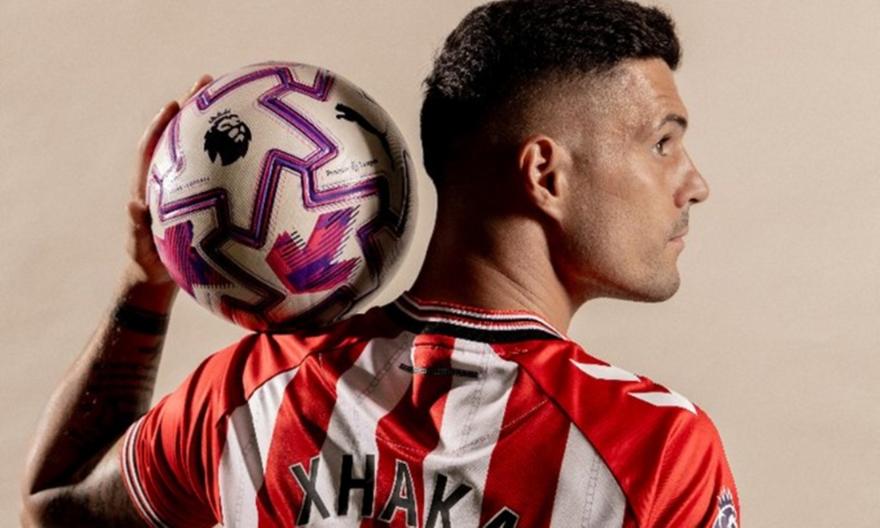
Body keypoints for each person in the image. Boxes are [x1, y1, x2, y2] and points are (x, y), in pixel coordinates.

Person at [22, 0, 740, 526]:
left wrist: (145, 283)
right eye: (663, 143)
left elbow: (55, 507)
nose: (694, 184)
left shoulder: (253, 393)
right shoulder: (652, 449)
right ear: (545, 175)